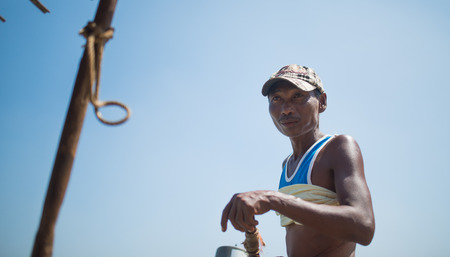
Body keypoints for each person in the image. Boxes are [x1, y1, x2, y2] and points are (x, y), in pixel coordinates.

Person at [220, 64, 375, 257]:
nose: (285, 109)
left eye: (298, 96)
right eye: (276, 98)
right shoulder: (287, 165)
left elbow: (363, 226)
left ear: (322, 102)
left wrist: (273, 199)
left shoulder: (339, 147)